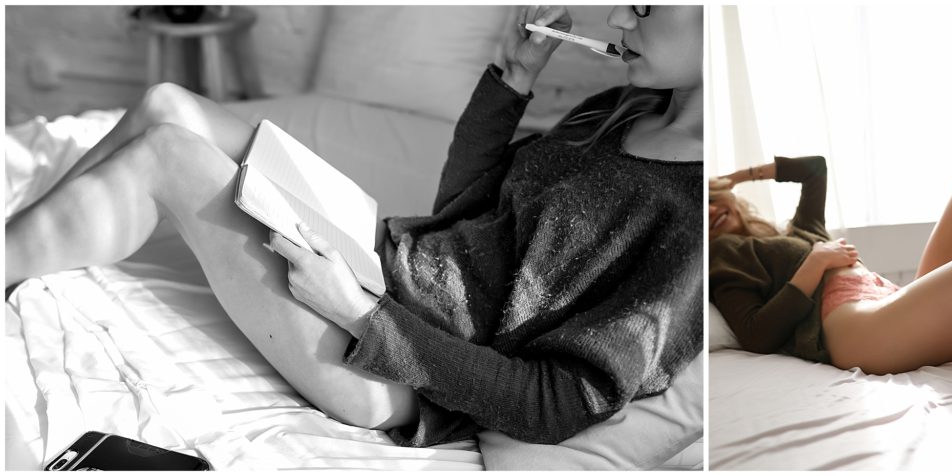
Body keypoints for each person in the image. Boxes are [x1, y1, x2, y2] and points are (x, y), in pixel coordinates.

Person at [6, 6, 703, 447]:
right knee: (169, 108)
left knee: (168, 158)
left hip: (394, 368)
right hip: (389, 264)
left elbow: (558, 403)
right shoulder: (618, 109)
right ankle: (24, 245)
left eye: (650, 4)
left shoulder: (692, 220)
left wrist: (361, 314)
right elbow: (466, 206)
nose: (622, 17)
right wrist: (510, 82)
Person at [709, 155, 952, 375]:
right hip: (860, 329)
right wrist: (814, 265)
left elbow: (815, 168)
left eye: (710, 197)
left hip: (889, 301)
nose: (709, 211)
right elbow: (756, 335)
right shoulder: (722, 256)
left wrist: (736, 177)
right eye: (699, 215)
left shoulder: (801, 229)